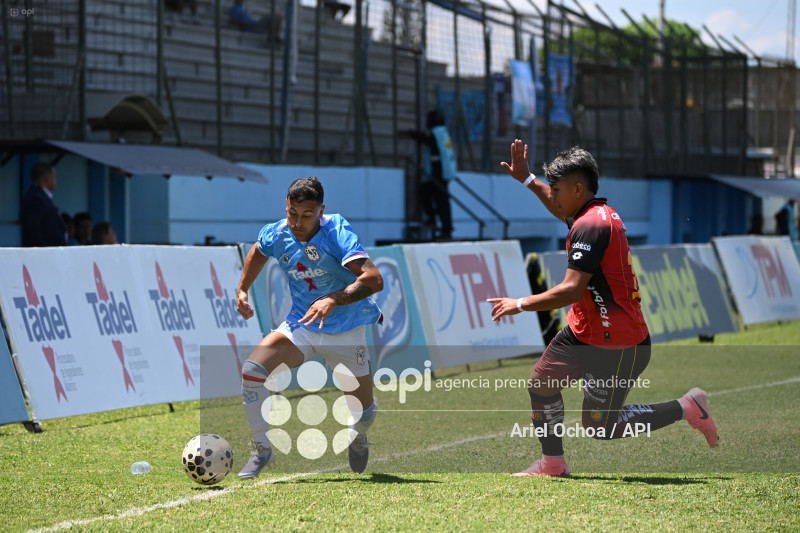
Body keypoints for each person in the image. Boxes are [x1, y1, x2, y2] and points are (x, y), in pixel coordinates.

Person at [488, 141, 718, 476]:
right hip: (585, 330)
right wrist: (527, 180)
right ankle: (553, 463)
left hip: (619, 343)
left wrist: (520, 303)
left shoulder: (592, 225)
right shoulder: (588, 214)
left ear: (578, 189)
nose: (552, 195)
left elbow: (571, 289)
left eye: (556, 189)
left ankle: (686, 407)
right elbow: (560, 208)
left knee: (600, 426)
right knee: (541, 383)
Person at [235, 176, 384, 478]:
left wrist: (332, 299)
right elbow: (258, 251)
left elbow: (374, 279)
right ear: (286, 207)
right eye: (292, 213)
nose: (297, 222)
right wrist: (242, 289)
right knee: (252, 372)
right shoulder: (277, 233)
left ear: (321, 211)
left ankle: (358, 435)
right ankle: (262, 449)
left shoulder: (336, 232)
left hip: (346, 328)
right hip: (301, 324)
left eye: (307, 215)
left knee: (365, 410)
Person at [403, 109, 457, 240]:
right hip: (445, 171)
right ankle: (437, 222)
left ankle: (444, 228)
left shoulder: (437, 133)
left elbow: (426, 140)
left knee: (439, 199)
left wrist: (411, 133)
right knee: (431, 194)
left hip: (440, 171)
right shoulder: (443, 132)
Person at [20, 162, 67, 247]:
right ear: (47, 179)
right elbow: (33, 229)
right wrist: (44, 250)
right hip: (43, 255)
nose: (56, 180)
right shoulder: (36, 198)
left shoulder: (42, 197)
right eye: (54, 176)